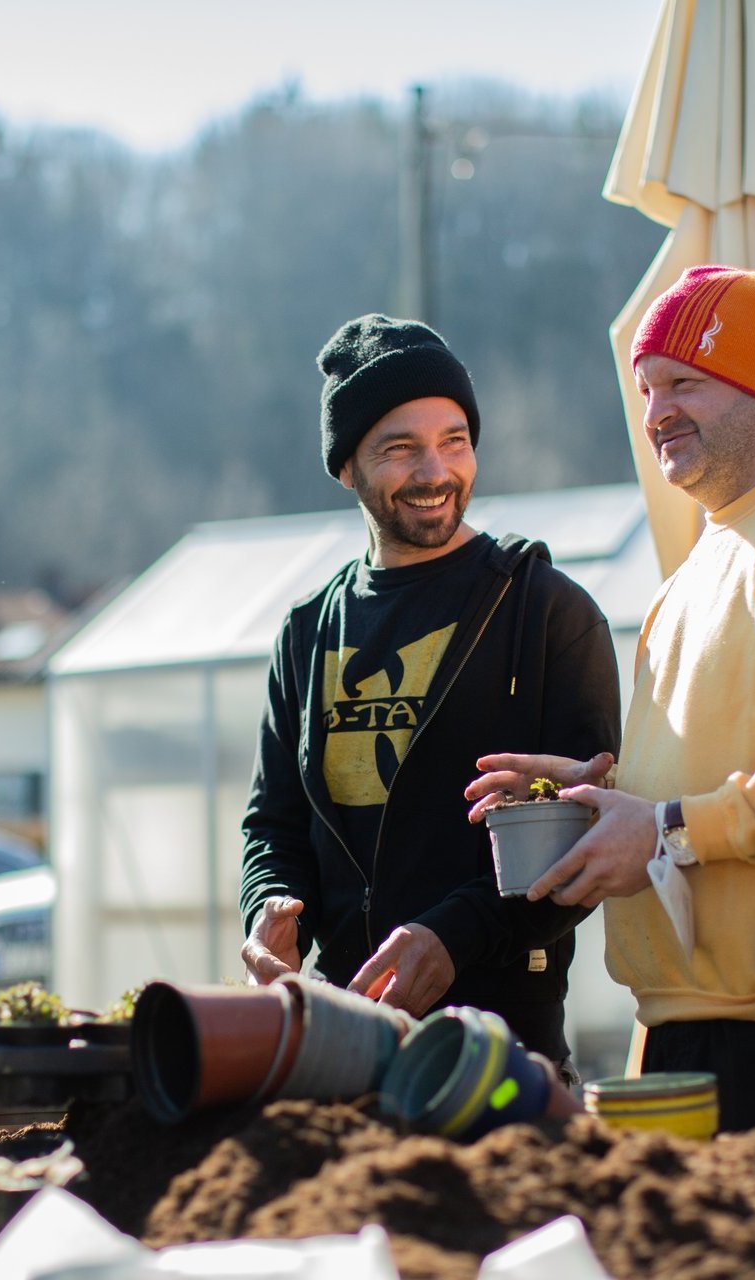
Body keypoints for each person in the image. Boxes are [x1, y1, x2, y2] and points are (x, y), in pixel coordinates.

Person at [467, 267, 755, 1169]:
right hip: (680, 1035)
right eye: (645, 389)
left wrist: (665, 827)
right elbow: (712, 772)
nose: (656, 409)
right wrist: (595, 795)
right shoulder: (688, 576)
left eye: (684, 381)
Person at [239, 314, 621, 1068]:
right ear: (347, 467)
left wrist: (454, 936)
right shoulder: (308, 629)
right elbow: (274, 822)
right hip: (341, 1036)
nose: (435, 471)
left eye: (454, 440)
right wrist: (268, 908)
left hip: (505, 1044)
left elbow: (588, 828)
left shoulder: (545, 611)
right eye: (400, 448)